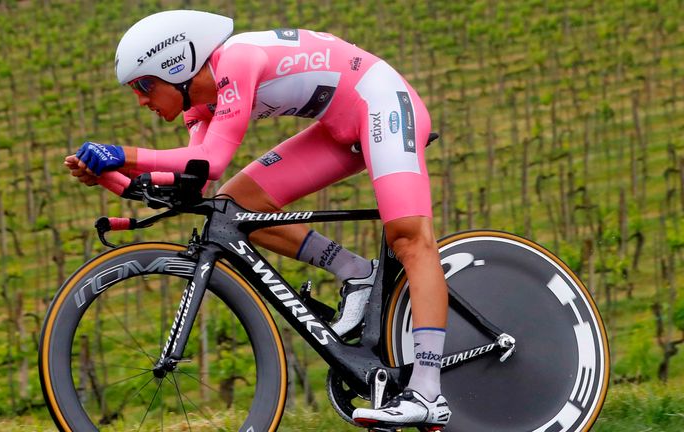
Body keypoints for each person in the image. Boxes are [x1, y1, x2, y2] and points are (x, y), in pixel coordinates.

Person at [65, 10, 451, 428]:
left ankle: (428, 392)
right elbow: (191, 177)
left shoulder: (237, 61)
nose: (141, 100)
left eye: (144, 86)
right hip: (338, 127)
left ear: (174, 66)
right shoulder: (200, 105)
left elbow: (210, 161)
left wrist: (123, 154)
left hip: (383, 102)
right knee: (236, 204)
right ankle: (356, 271)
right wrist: (113, 179)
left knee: (409, 237)